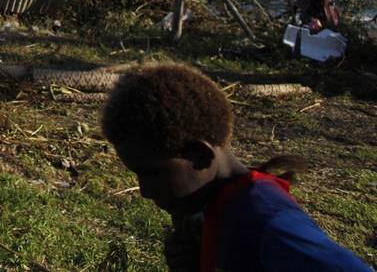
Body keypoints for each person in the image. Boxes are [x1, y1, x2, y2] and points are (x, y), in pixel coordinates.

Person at [101, 63, 369, 271]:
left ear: (198, 156)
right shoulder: (215, 207)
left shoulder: (268, 221)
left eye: (151, 173)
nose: (145, 191)